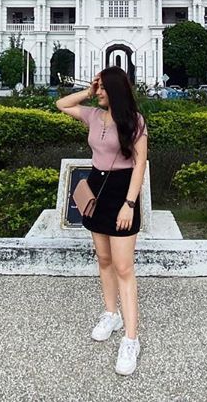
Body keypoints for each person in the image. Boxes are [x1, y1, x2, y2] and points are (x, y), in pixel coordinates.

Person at [56, 66, 149, 376]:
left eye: (103, 88)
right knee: (105, 260)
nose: (98, 93)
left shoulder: (134, 121)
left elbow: (139, 166)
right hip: (96, 190)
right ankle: (111, 314)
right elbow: (62, 105)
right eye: (97, 89)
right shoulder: (93, 115)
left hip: (122, 193)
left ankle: (131, 339)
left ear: (116, 91)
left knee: (124, 267)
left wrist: (129, 204)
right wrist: (89, 89)